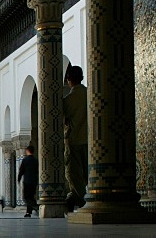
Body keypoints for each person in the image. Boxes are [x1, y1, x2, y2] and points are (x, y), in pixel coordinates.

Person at [62, 64, 88, 214]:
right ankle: (73, 197)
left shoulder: (70, 99)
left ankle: (82, 201)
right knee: (86, 173)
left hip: (74, 141)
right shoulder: (90, 94)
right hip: (90, 141)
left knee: (72, 174)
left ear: (69, 80)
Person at [18, 144, 39, 217]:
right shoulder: (35, 160)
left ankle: (35, 205)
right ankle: (28, 212)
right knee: (31, 196)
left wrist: (19, 178)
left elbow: (21, 170)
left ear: (27, 151)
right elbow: (37, 171)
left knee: (26, 197)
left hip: (27, 181)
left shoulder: (25, 160)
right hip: (34, 181)